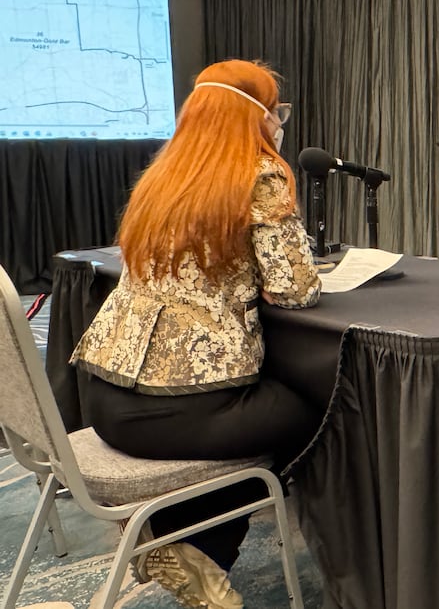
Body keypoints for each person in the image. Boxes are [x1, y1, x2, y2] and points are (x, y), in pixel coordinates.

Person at [70, 60, 321, 609]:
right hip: (174, 415)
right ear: (253, 116)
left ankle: (167, 531)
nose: (280, 123)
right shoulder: (259, 174)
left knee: (260, 410)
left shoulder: (162, 175)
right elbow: (296, 289)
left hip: (102, 400)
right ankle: (200, 549)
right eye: (276, 111)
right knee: (313, 408)